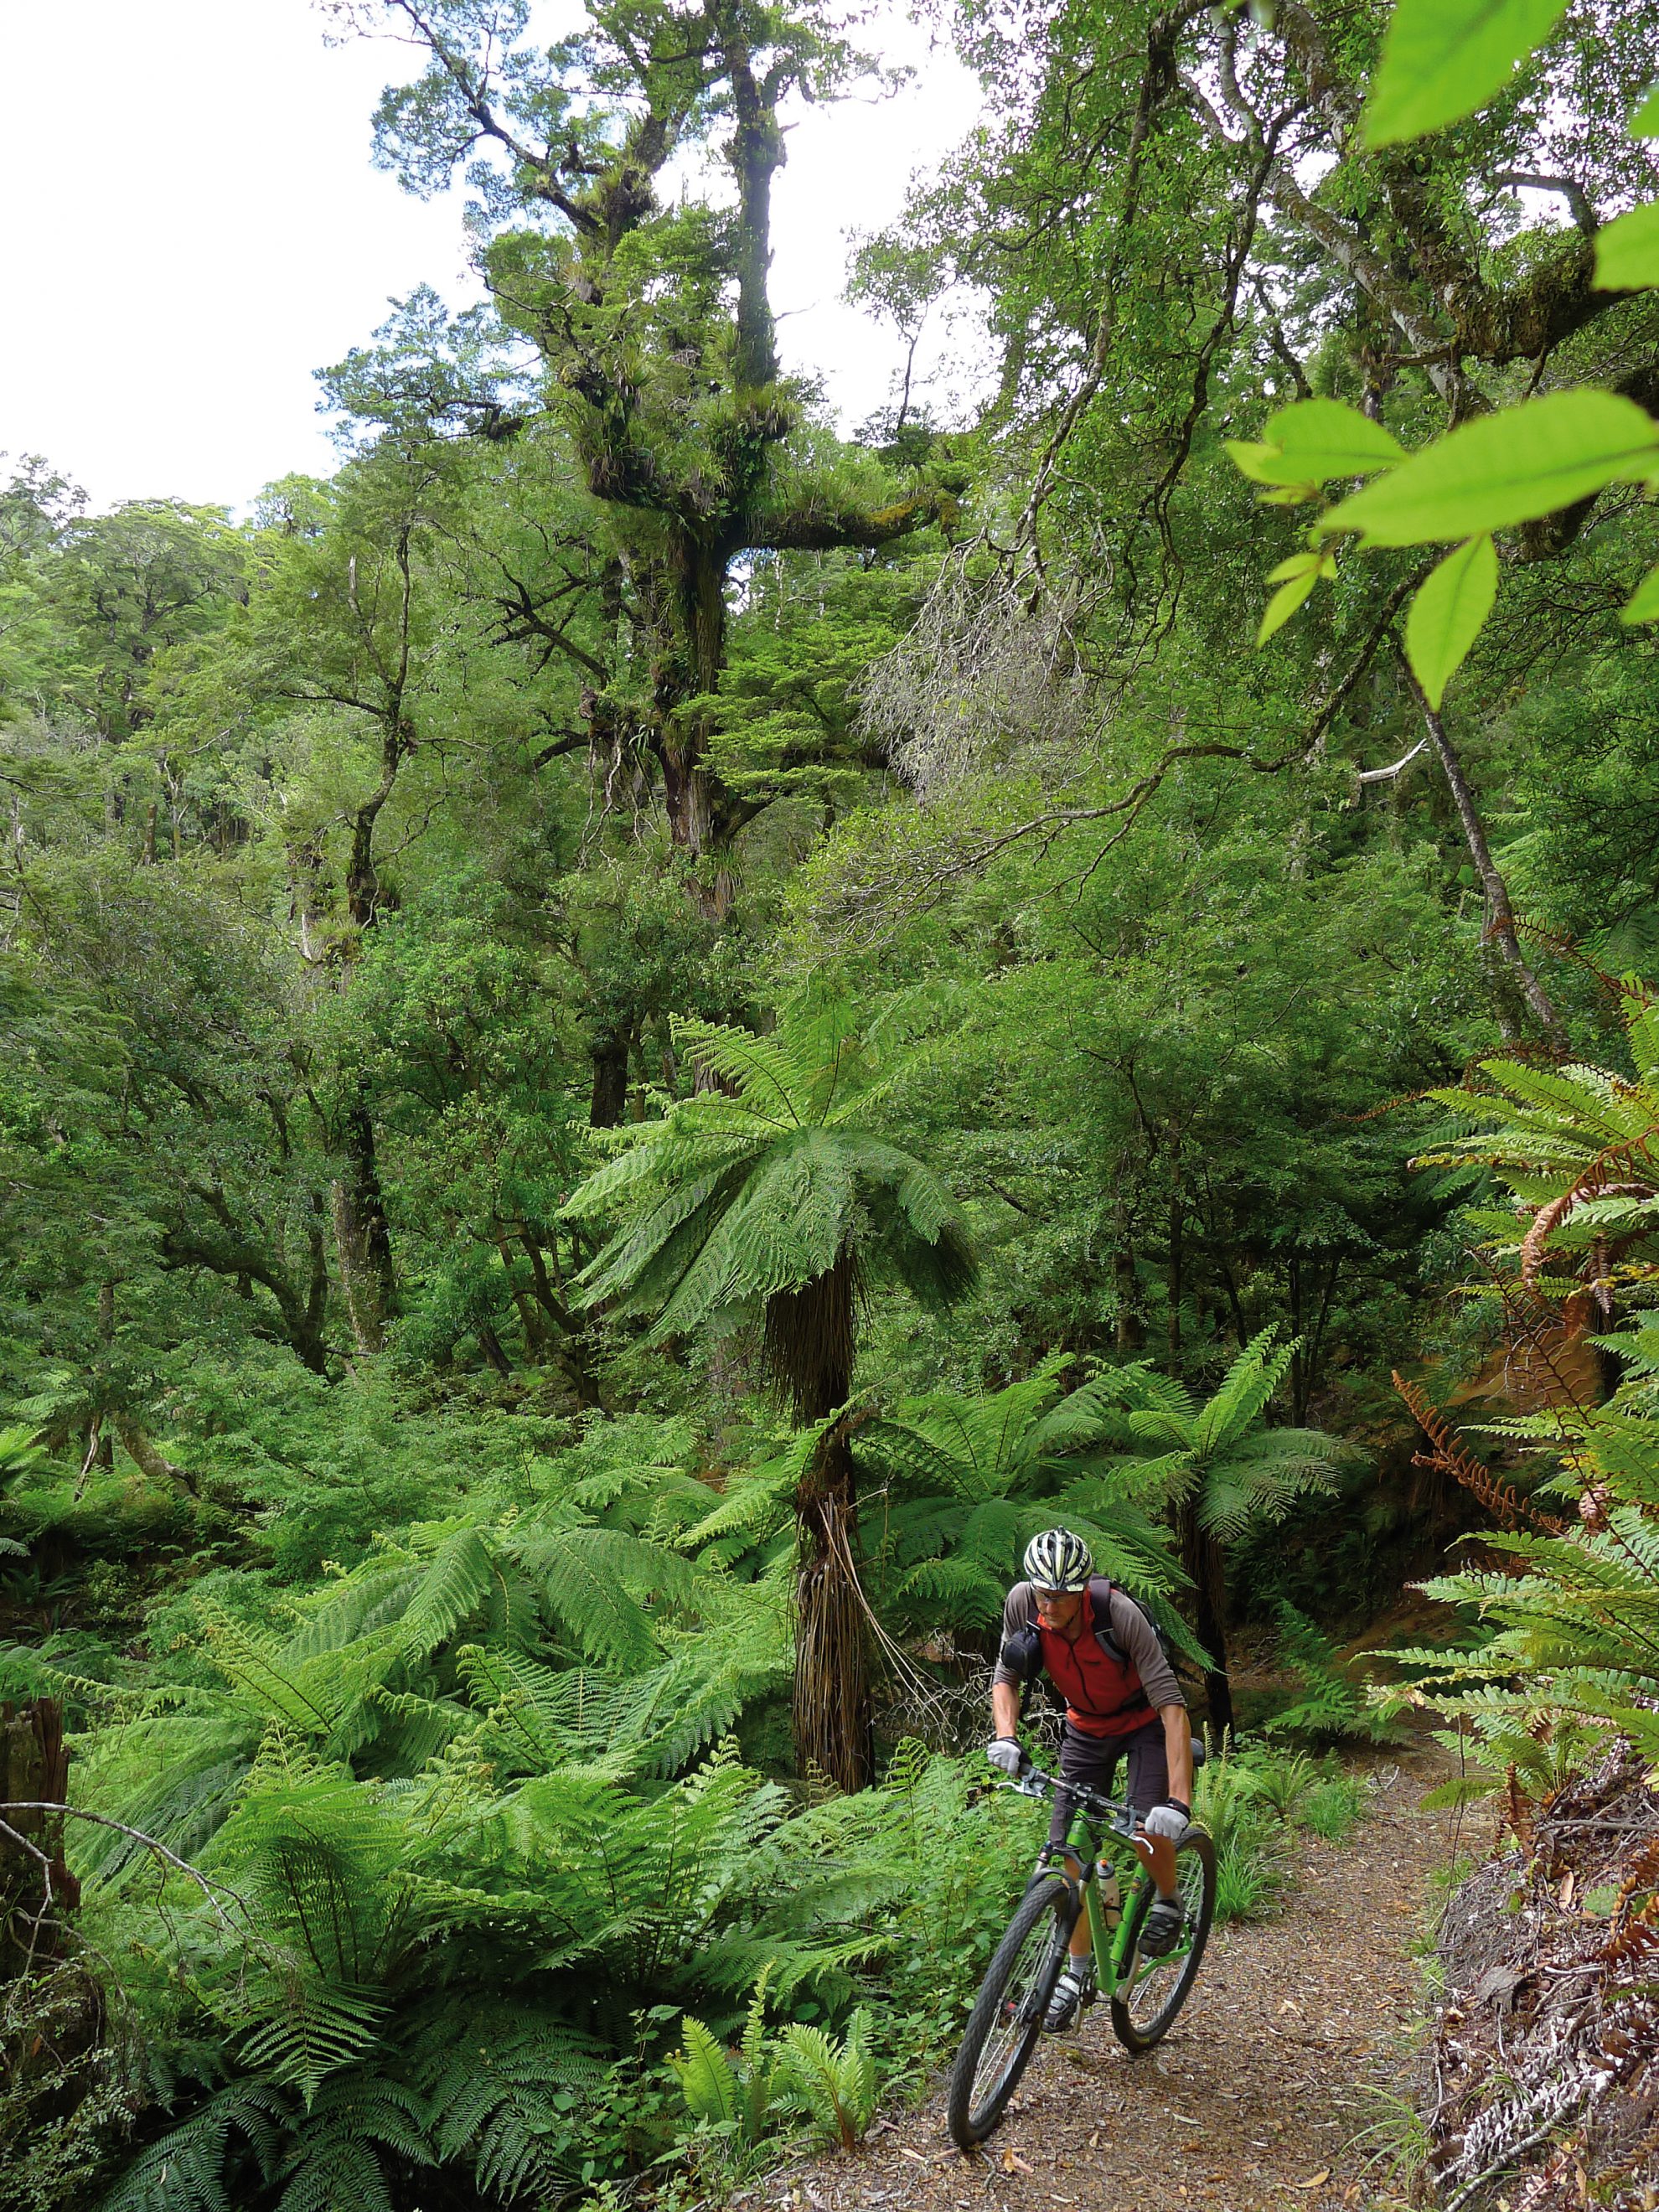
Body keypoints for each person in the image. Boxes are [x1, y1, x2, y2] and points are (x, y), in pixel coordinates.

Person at [987, 1527, 1195, 2031]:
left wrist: (1178, 1802)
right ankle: (1074, 1974)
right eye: (1042, 1593)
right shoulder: (1022, 1604)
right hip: (1085, 1726)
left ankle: (1169, 1899)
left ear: (1082, 1591)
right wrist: (1007, 1737)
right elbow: (1005, 1677)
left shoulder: (1119, 1615)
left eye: (1061, 1597)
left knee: (1147, 1826)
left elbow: (1172, 1707)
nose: (1049, 1606)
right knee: (1067, 1855)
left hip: (1144, 1723)